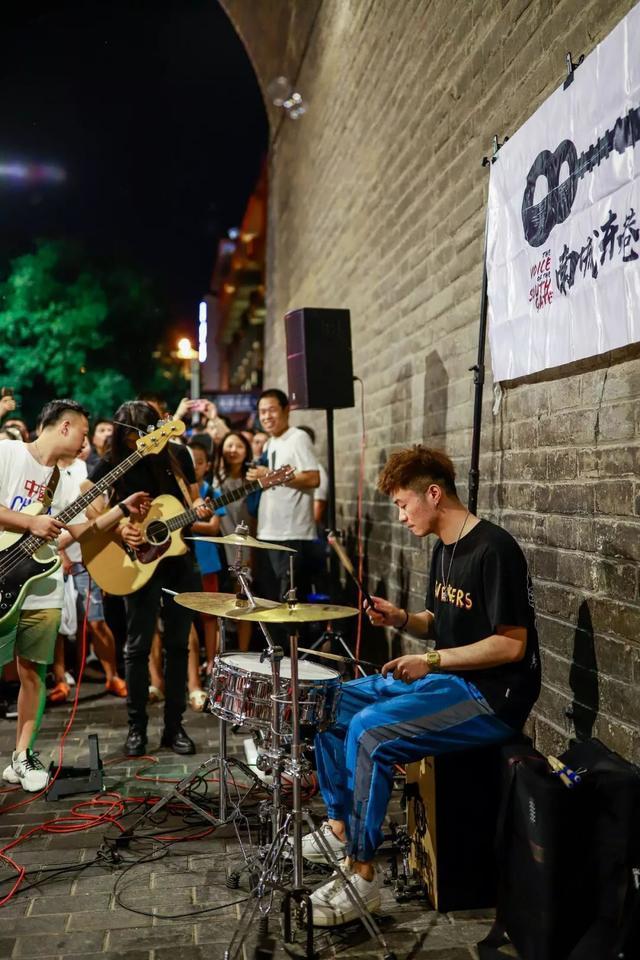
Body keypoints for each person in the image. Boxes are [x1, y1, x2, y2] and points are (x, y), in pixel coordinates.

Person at [302, 445, 541, 926]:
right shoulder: (443, 548)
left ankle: (363, 877)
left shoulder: (494, 549)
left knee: (371, 731)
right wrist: (406, 619)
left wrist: (430, 660)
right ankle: (340, 824)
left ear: (433, 494)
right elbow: (447, 622)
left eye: (403, 503)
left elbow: (510, 645)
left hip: (490, 697)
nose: (401, 514)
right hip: (447, 681)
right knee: (329, 703)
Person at [0, 400, 148, 791]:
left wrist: (120, 510)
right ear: (64, 427)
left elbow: (84, 529)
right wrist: (30, 521)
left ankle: (22, 756)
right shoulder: (6, 453)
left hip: (40, 584)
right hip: (3, 576)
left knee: (35, 672)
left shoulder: (63, 482)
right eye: (83, 433)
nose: (86, 444)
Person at [86, 401, 210, 757]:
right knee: (137, 647)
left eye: (140, 435)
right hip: (135, 563)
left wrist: (199, 508)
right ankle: (136, 729)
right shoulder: (112, 461)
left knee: (178, 645)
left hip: (177, 559)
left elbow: (195, 497)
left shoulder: (177, 455)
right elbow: (87, 496)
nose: (134, 443)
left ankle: (175, 727)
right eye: (128, 437)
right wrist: (120, 527)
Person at [246, 389, 319, 620]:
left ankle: (294, 655)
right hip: (268, 532)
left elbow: (313, 478)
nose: (266, 416)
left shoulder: (298, 437)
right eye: (262, 412)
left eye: (271, 410)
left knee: (291, 607)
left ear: (287, 410)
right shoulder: (269, 444)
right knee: (270, 604)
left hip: (292, 533)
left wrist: (270, 475)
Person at [213, 431, 262, 653]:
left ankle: (242, 654)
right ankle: (218, 655)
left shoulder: (251, 481)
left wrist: (252, 553)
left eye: (239, 446)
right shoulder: (215, 478)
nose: (233, 450)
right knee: (217, 605)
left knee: (243, 602)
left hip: (242, 549)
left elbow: (254, 517)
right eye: (229, 445)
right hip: (217, 548)